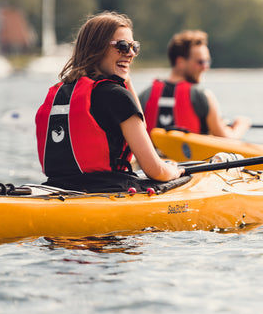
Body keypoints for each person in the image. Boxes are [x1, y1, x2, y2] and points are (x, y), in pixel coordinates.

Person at [35, 12, 184, 192]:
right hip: (107, 189)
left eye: (134, 47)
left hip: (56, 188)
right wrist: (173, 171)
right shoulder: (117, 96)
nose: (131, 53)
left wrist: (125, 79)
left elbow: (139, 124)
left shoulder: (61, 91)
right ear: (96, 49)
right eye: (122, 46)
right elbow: (155, 170)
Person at [139, 30, 250, 138]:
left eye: (207, 62)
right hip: (193, 157)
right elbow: (226, 140)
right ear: (180, 62)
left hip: (155, 156)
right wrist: (241, 126)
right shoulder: (203, 95)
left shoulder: (145, 94)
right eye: (200, 62)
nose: (205, 67)